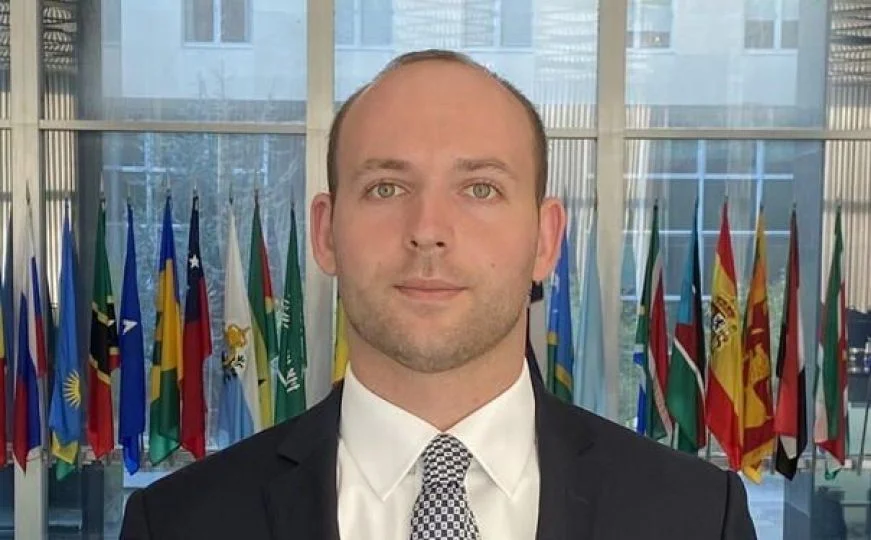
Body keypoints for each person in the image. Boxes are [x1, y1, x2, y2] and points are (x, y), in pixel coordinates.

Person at [120, 49, 757, 540]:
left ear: (545, 239)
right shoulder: (176, 524)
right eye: (386, 188)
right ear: (326, 234)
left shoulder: (699, 517)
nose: (428, 230)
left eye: (480, 188)